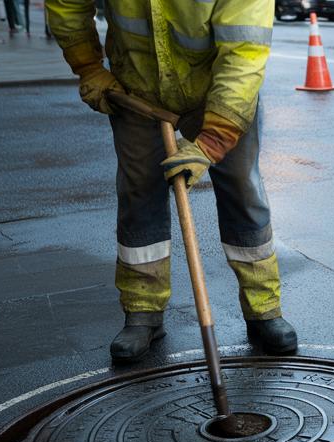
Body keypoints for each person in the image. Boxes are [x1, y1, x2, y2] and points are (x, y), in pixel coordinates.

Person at [44, 0, 297, 362]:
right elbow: (67, 4)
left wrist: (213, 140)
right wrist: (88, 67)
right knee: (139, 193)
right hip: (136, 88)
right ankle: (142, 312)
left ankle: (264, 309)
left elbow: (244, 52)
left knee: (242, 191)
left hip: (219, 93)